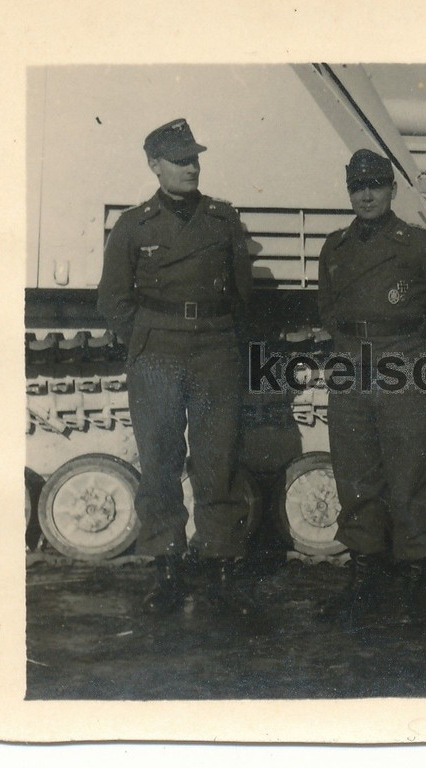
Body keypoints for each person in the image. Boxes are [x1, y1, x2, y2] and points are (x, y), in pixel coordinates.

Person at [97, 119, 255, 615]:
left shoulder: (223, 220)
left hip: (213, 349)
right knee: (161, 460)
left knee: (217, 459)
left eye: (195, 158)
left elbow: (242, 290)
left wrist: (217, 333)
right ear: (155, 165)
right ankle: (167, 565)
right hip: (158, 351)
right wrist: (146, 337)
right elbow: (113, 300)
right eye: (180, 159)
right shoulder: (133, 225)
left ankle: (221, 566)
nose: (191, 167)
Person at [317, 148, 426, 629]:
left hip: (404, 365)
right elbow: (328, 312)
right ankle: (366, 580)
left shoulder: (417, 245)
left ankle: (419, 583)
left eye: (375, 185)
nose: (366, 195)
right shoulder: (334, 248)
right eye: (357, 187)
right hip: (351, 368)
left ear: (392, 189)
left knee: (411, 476)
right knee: (356, 476)